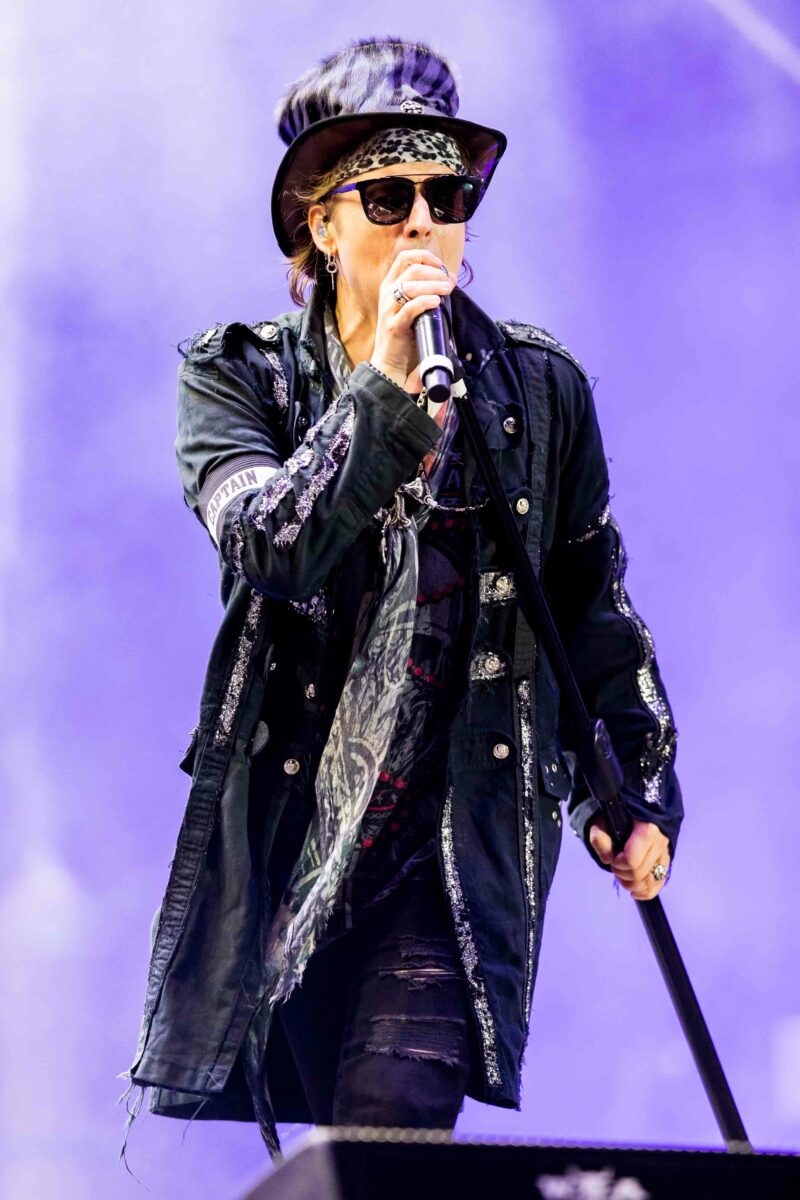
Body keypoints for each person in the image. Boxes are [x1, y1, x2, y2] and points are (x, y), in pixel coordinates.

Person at [125, 37, 683, 1160]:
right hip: (291, 840)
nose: (423, 220)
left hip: (449, 841)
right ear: (320, 227)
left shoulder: (537, 390)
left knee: (392, 1129)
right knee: (330, 1159)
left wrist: (634, 788)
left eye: (448, 195)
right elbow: (272, 545)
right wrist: (381, 390)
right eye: (387, 196)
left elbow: (587, 605)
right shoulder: (235, 377)